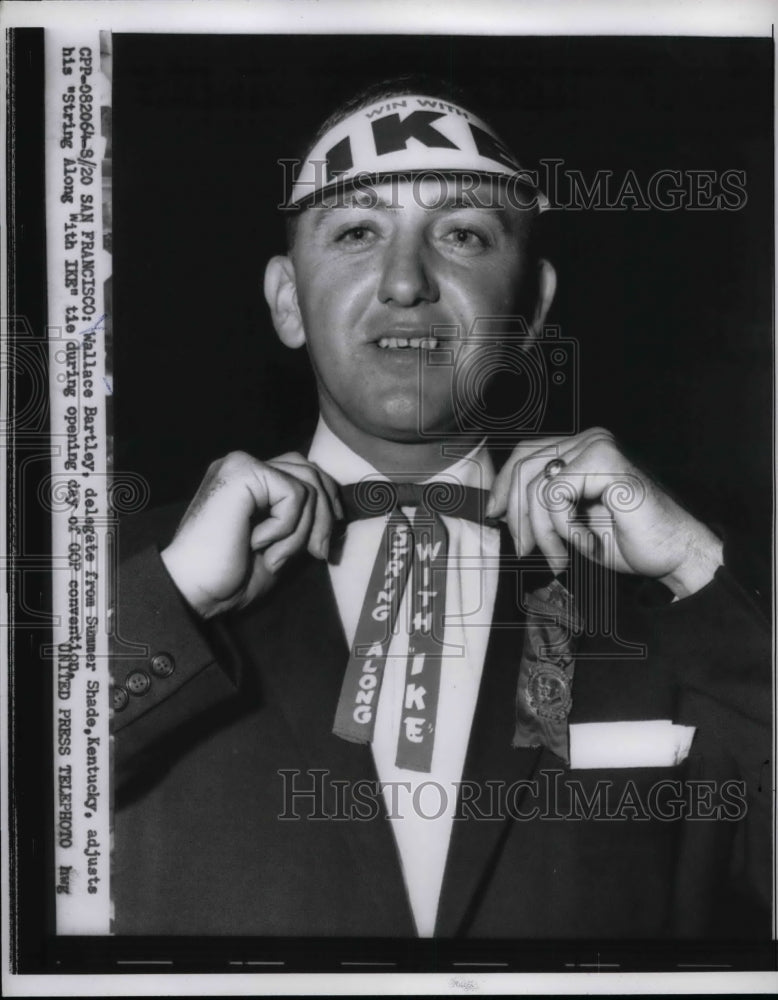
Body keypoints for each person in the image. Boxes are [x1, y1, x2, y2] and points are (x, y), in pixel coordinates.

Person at [111, 77, 771, 939]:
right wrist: (171, 602)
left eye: (461, 234)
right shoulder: (130, 575)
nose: (405, 281)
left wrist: (694, 563)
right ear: (286, 301)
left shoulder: (676, 598)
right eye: (355, 233)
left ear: (531, 307)